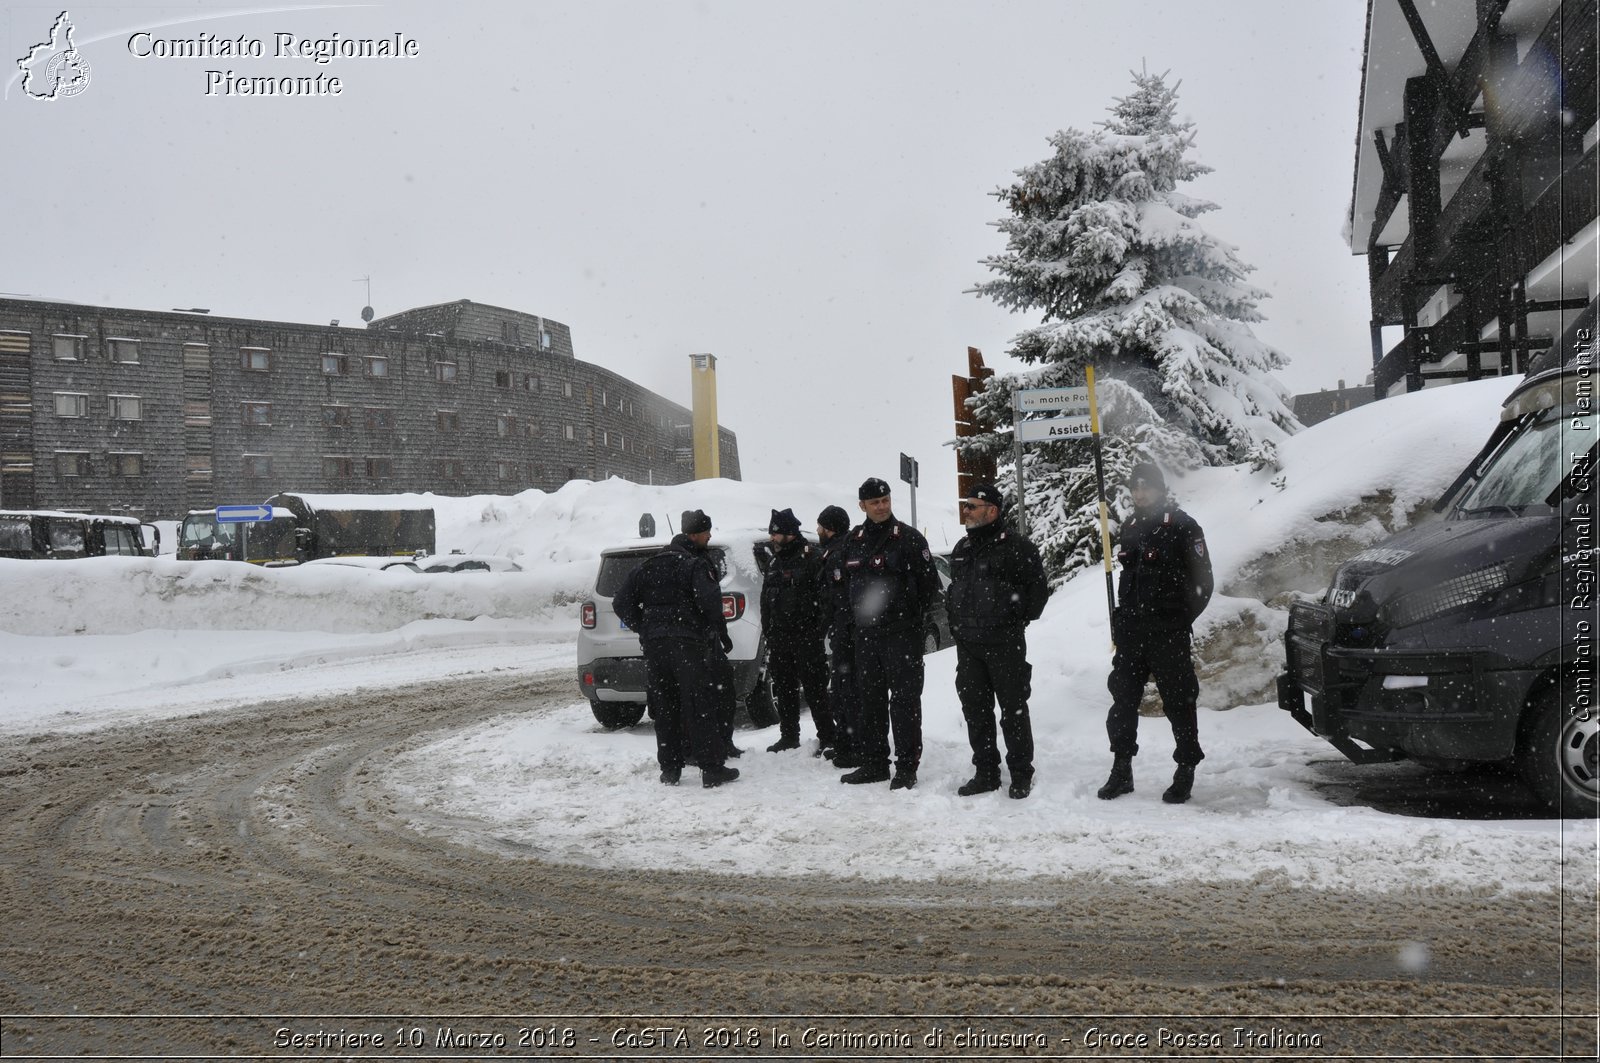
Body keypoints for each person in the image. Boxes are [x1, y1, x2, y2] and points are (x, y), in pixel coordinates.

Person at [1098, 463, 1213, 804]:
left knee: (1179, 702)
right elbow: (1127, 578)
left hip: (1167, 633)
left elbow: (1203, 583)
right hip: (1132, 634)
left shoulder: (1182, 526)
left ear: (1161, 489)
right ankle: (1122, 769)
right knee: (1123, 702)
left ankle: (1186, 769)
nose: (1140, 493)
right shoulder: (1130, 527)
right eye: (1135, 488)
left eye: (1146, 487)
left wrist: (1178, 620)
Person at [612, 509, 740, 789]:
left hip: (657, 649)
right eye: (706, 532)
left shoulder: (646, 567)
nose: (708, 536)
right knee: (699, 705)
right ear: (691, 539)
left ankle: (670, 769)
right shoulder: (694, 566)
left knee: (666, 706)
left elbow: (620, 604)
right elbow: (711, 605)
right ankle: (711, 768)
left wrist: (644, 627)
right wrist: (716, 632)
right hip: (688, 645)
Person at [946, 482, 1050, 799]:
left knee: (1013, 711)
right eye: (965, 505)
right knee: (976, 711)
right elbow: (956, 592)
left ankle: (1020, 773)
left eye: (972, 506)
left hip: (1004, 644)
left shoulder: (1017, 547)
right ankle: (986, 772)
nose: (966, 511)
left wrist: (1011, 618)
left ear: (992, 511)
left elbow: (1037, 596)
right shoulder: (962, 549)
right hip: (969, 646)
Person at [838, 477, 942, 789]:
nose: (882, 507)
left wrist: (908, 618)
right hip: (866, 637)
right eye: (874, 503)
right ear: (862, 506)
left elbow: (929, 588)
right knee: (869, 701)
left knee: (904, 702)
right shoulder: (853, 541)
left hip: (901, 635)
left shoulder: (908, 539)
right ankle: (875, 763)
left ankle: (906, 768)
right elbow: (843, 589)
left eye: (885, 501)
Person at [759, 508, 836, 754]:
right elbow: (765, 602)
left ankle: (827, 736)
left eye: (776, 534)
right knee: (784, 689)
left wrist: (816, 632)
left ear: (789, 534)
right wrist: (769, 633)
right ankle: (789, 736)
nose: (772, 538)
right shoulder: (773, 563)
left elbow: (826, 600)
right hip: (780, 638)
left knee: (815, 690)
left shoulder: (812, 558)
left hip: (806, 638)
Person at [815, 504, 859, 765]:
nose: (818, 530)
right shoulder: (836, 551)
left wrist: (824, 626)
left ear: (829, 529)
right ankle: (847, 742)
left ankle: (851, 746)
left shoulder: (838, 554)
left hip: (847, 631)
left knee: (847, 690)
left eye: (820, 525)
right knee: (844, 689)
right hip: (845, 630)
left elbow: (834, 598)